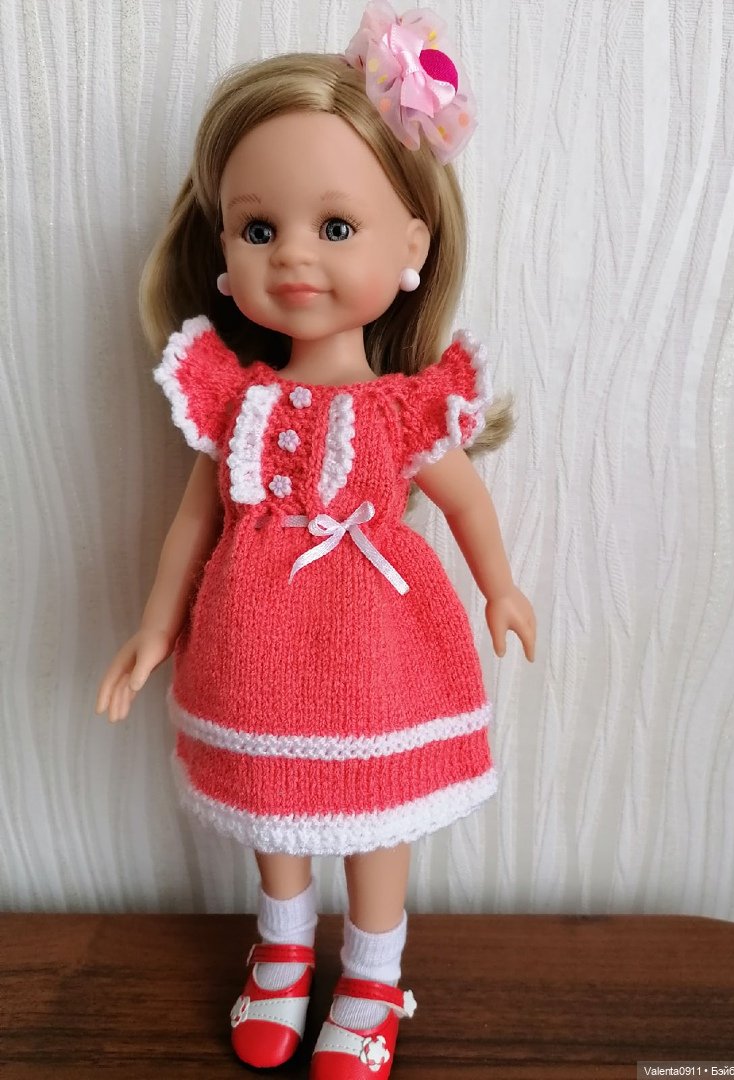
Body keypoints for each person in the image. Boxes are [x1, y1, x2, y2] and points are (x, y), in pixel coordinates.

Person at [95, 3, 536, 1076]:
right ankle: (283, 950)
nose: (294, 254)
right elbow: (196, 518)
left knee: (378, 813)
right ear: (223, 249)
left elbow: (465, 502)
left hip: (383, 650)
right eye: (259, 229)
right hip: (259, 646)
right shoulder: (237, 405)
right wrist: (154, 628)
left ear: (412, 246)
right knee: (276, 805)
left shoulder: (404, 411)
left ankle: (374, 974)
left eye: (336, 228)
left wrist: (501, 588)